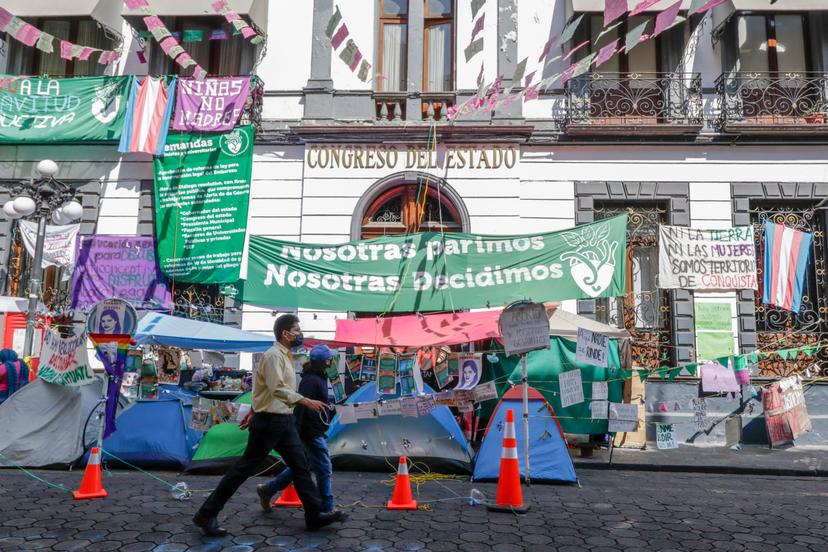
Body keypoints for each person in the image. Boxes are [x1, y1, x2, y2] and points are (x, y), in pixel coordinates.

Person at [193, 314, 345, 536]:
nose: (299, 334)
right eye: (297, 330)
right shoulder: (274, 356)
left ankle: (314, 515)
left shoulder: (286, 356)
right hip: (270, 423)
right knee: (242, 469)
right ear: (286, 333)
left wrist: (254, 408)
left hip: (284, 421)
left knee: (301, 466)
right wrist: (305, 400)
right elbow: (276, 389)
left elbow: (262, 388)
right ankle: (206, 514)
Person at [255, 345, 336, 513]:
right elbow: (300, 407)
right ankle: (326, 508)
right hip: (309, 431)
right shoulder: (311, 380)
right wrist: (296, 434)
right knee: (324, 467)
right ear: (326, 361)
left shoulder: (321, 377)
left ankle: (267, 490)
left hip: (314, 429)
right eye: (330, 358)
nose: (332, 361)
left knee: (301, 466)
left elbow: (318, 403)